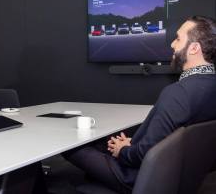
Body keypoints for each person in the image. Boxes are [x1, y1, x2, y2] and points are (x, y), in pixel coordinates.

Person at [64, 16, 216, 194]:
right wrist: (134, 143)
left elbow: (144, 155)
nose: (172, 45)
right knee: (102, 144)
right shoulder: (207, 87)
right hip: (177, 173)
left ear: (194, 48)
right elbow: (167, 140)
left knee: (70, 145)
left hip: (136, 177)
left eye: (178, 38)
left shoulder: (178, 93)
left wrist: (124, 151)